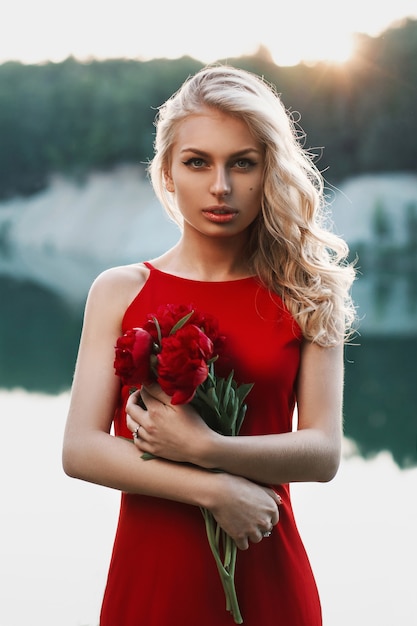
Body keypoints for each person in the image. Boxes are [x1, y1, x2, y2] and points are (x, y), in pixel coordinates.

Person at [62, 64, 356, 626]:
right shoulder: (121, 291)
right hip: (152, 581)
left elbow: (323, 453)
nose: (220, 187)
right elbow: (81, 449)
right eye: (198, 162)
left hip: (267, 572)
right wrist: (213, 491)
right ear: (168, 173)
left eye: (242, 163)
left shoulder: (307, 292)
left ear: (268, 170)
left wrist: (207, 448)